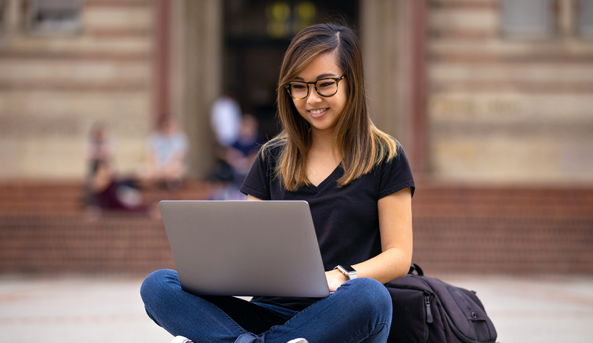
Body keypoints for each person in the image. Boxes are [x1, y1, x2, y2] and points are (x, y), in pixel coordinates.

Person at [141, 23, 415, 343]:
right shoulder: (272, 157)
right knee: (158, 286)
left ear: (351, 82)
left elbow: (399, 255)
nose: (312, 99)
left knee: (371, 296)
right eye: (299, 86)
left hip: (340, 312)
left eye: (325, 84)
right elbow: (252, 249)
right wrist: (224, 268)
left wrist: (341, 276)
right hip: (269, 312)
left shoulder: (386, 156)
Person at [143, 116, 188, 190]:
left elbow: (178, 158)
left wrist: (166, 171)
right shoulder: (154, 138)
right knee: (145, 172)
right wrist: (157, 169)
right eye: (166, 125)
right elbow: (151, 156)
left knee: (178, 172)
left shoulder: (179, 138)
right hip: (156, 168)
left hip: (172, 168)